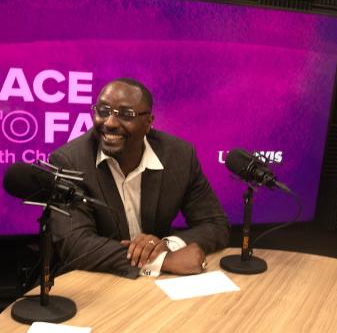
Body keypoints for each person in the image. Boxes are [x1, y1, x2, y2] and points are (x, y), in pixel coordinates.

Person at [49, 78, 229, 277]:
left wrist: (167, 245)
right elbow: (74, 243)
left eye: (126, 114)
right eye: (103, 111)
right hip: (97, 282)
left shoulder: (179, 156)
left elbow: (215, 225)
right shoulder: (70, 161)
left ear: (149, 122)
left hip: (157, 286)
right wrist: (162, 260)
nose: (109, 123)